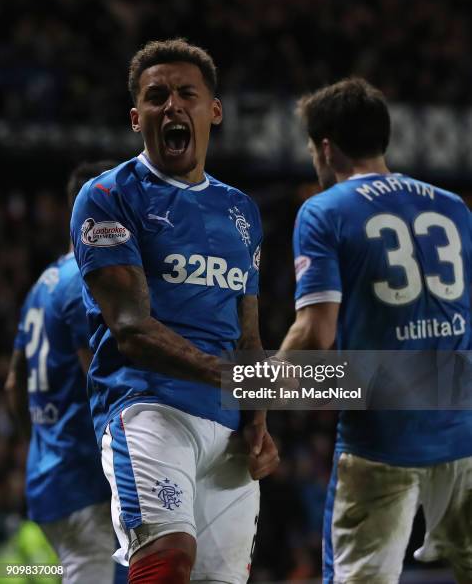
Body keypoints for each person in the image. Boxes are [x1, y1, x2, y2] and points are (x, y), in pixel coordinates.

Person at [70, 38, 279, 584]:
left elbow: (247, 331)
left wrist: (257, 416)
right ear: (137, 118)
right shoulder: (108, 195)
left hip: (230, 428)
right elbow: (131, 330)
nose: (172, 105)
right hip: (148, 406)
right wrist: (230, 377)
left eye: (187, 93)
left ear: (214, 110)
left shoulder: (241, 210)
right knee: (166, 559)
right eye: (157, 96)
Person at [279, 78, 472, 583]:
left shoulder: (324, 211)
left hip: (381, 438)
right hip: (463, 429)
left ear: (325, 148)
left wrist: (253, 387)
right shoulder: (453, 206)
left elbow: (314, 336)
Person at [5, 161, 119, 583]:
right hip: (85, 480)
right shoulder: (86, 283)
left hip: (48, 476)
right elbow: (105, 380)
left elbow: (15, 383)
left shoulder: (45, 281)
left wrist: (38, 444)